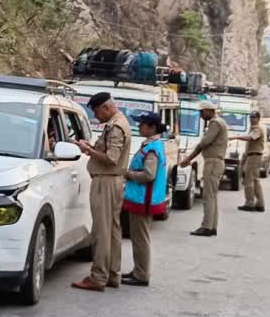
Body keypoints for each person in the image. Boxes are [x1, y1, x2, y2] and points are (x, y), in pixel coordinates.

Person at [72, 92, 132, 292]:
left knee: (101, 231)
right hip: (113, 181)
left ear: (106, 108)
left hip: (106, 182)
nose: (96, 117)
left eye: (97, 112)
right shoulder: (120, 122)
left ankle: (98, 277)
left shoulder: (115, 127)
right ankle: (112, 274)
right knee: (113, 230)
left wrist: (87, 150)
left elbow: (111, 158)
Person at [120, 114, 170, 287]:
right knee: (138, 237)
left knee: (141, 238)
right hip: (141, 198)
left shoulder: (152, 148)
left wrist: (128, 174)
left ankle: (141, 274)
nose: (139, 127)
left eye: (142, 125)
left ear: (152, 128)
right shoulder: (152, 145)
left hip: (144, 199)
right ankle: (138, 270)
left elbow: (149, 175)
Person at [180, 101, 227, 237]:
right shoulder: (219, 122)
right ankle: (211, 226)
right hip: (215, 162)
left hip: (213, 162)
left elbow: (203, 143)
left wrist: (188, 158)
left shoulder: (215, 123)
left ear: (208, 110)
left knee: (208, 196)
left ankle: (206, 226)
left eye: (202, 112)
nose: (200, 114)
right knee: (212, 196)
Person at [235, 111, 267, 212]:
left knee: (248, 180)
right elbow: (249, 146)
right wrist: (244, 158)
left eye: (253, 117)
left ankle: (250, 203)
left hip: (255, 156)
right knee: (255, 180)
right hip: (252, 156)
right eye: (250, 117)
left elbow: (250, 138)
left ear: (258, 118)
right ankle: (260, 204)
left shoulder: (258, 129)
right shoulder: (253, 129)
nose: (251, 119)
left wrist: (236, 137)